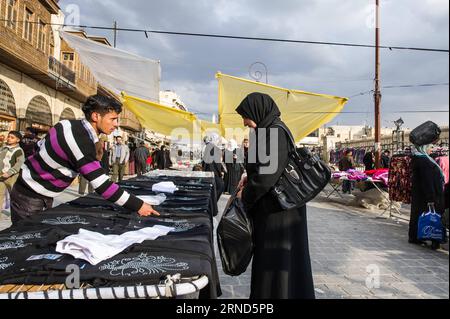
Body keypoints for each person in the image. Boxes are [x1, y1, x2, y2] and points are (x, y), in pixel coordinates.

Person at [9, 95, 159, 225]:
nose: (116, 124)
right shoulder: (82, 143)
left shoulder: (66, 124)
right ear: (96, 116)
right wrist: (139, 205)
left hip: (33, 190)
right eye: (113, 119)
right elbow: (102, 186)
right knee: (26, 236)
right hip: (30, 196)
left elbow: (37, 148)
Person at [235, 92, 315, 299]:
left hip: (280, 213)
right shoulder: (266, 131)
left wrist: (247, 194)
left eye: (246, 115)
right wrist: (247, 177)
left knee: (277, 261)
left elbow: (267, 177)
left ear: (258, 111)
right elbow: (263, 168)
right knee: (274, 260)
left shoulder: (275, 133)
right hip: (275, 209)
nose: (244, 121)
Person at [409, 143, 446, 250]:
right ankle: (434, 239)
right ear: (424, 148)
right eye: (430, 147)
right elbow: (427, 181)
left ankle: (416, 236)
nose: (432, 150)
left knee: (418, 215)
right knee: (433, 217)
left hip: (420, 194)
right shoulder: (424, 161)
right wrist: (431, 197)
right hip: (427, 195)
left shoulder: (420, 159)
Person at [0, 131, 25, 211]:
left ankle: (19, 212)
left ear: (18, 140)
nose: (9, 139)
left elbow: (19, 163)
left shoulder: (18, 150)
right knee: (0, 195)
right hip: (1, 175)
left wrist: (10, 172)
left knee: (14, 195)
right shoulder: (3, 148)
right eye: (9, 136)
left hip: (12, 177)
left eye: (12, 137)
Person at [202, 133, 225, 200]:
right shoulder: (215, 148)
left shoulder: (208, 147)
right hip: (214, 173)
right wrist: (220, 172)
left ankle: (211, 203)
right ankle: (213, 203)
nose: (218, 141)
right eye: (217, 139)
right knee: (220, 186)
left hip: (208, 172)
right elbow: (217, 163)